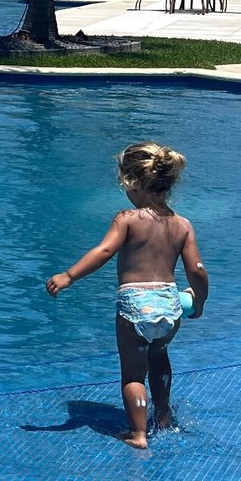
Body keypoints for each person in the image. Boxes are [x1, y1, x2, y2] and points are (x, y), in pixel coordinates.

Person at [46, 142, 208, 450]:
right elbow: (197, 270)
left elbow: (104, 251)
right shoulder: (183, 225)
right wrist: (198, 302)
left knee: (133, 373)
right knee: (159, 357)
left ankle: (138, 434)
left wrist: (68, 276)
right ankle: (163, 417)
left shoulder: (127, 219)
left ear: (133, 184)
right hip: (170, 306)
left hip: (136, 307)